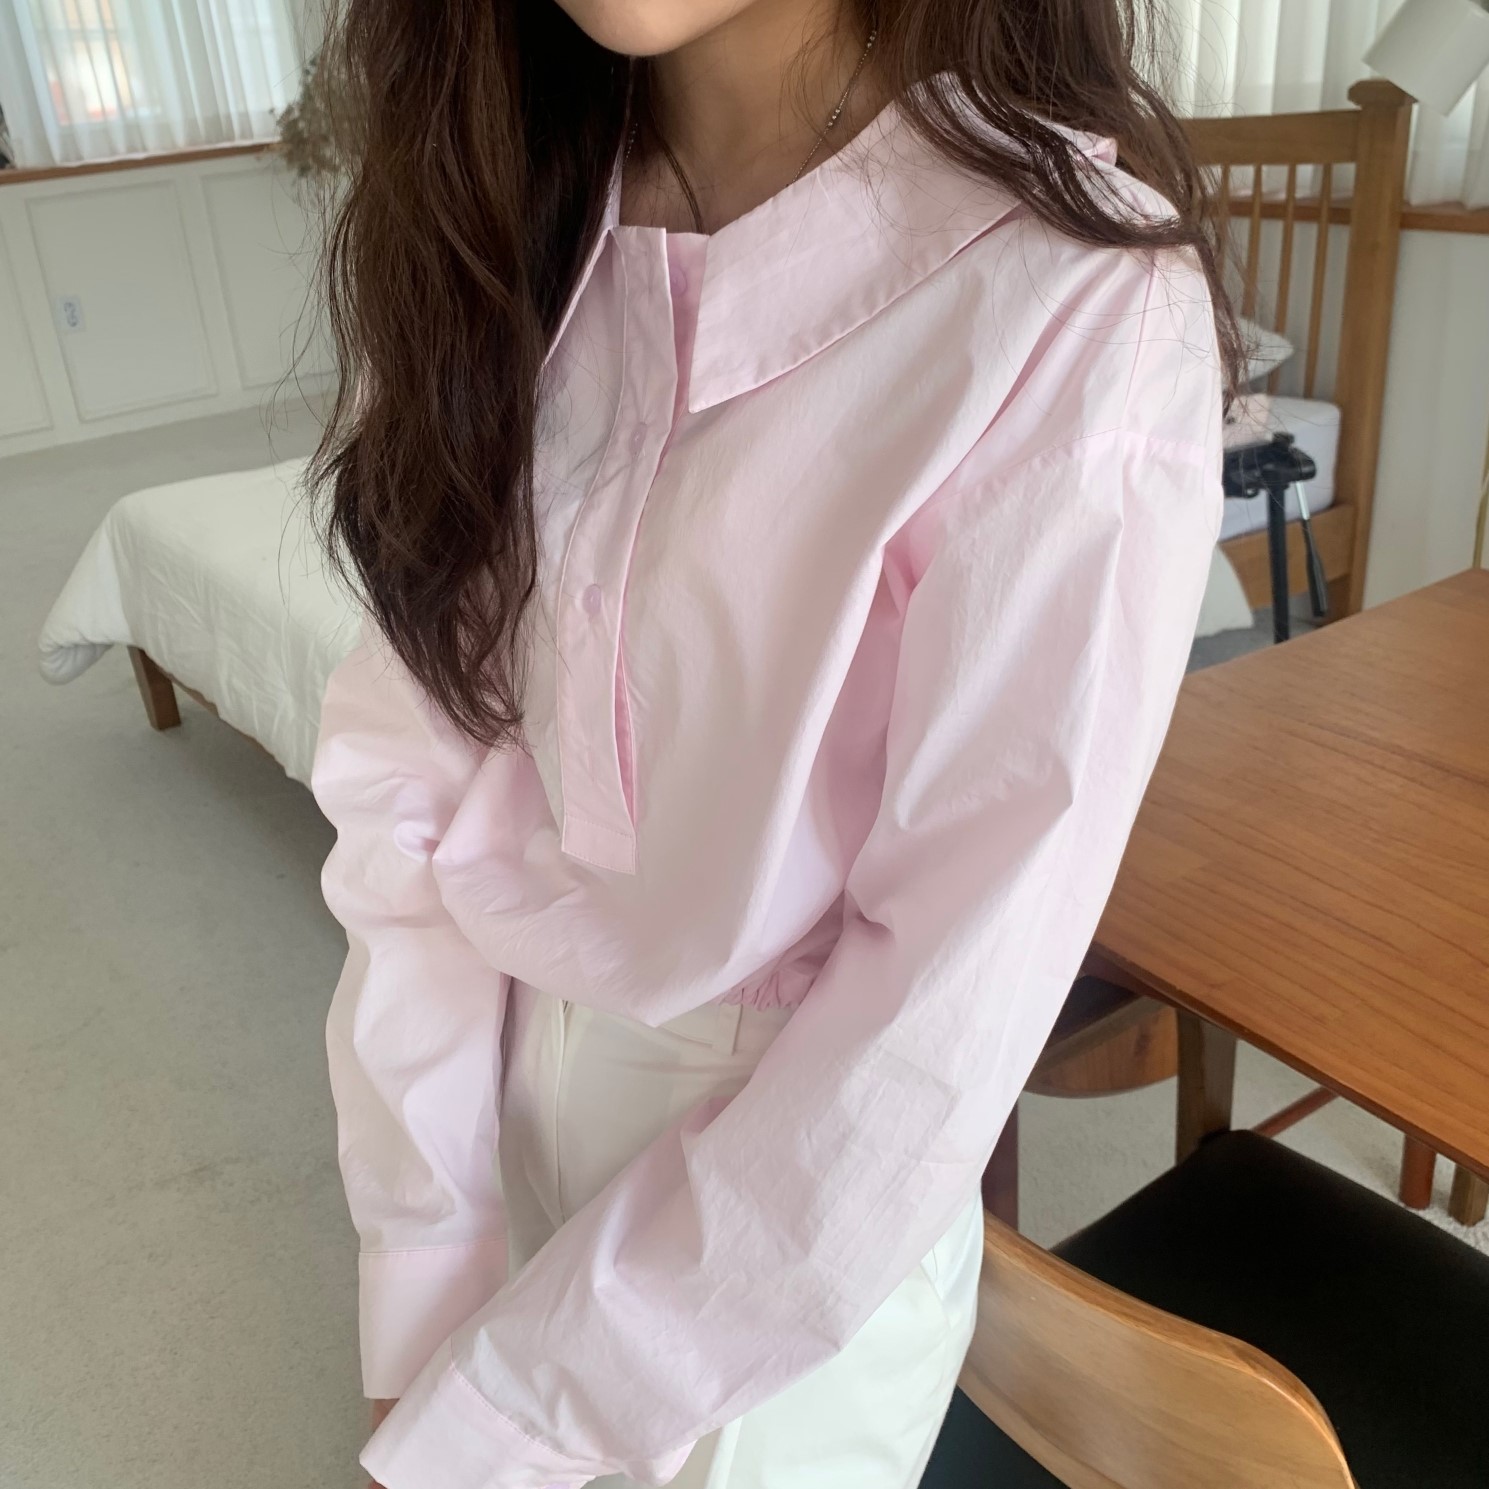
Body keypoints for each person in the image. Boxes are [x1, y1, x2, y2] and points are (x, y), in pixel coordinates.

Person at [306, 1, 1240, 1485]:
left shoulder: (1074, 301)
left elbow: (932, 1021)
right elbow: (403, 789)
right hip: (494, 1091)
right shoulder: (490, 204)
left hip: (788, 1237)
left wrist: (502, 1421)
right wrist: (421, 1273)